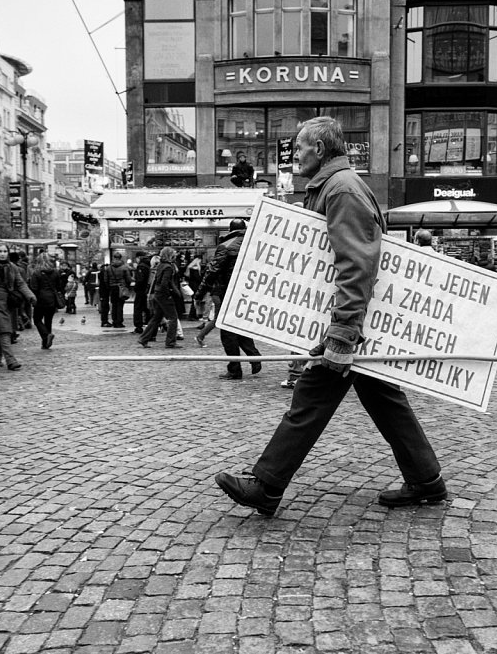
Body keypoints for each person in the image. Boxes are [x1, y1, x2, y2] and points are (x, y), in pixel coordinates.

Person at [215, 116, 446, 516]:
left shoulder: (340, 190)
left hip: (346, 325)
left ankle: (267, 485)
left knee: (311, 398)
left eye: (300, 147)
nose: (296, 155)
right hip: (351, 320)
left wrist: (341, 333)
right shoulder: (336, 187)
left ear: (319, 149)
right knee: (384, 398)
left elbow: (357, 263)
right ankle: (427, 481)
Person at [194, 219, 262, 379]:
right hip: (247, 291)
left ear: (229, 230)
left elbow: (212, 271)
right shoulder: (254, 243)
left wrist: (199, 293)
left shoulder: (226, 246)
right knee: (241, 326)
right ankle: (255, 357)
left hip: (228, 292)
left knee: (227, 332)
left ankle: (234, 369)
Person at [0, 244, 36, 370]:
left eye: (4, 251)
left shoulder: (13, 267)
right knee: (4, 331)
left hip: (10, 303)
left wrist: (30, 296)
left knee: (4, 330)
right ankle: (11, 360)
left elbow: (20, 283)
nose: (2, 254)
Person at [138, 247, 182, 349]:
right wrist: (169, 294)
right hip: (164, 295)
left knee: (156, 318)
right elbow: (165, 283)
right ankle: (170, 342)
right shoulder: (168, 267)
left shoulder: (160, 266)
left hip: (157, 294)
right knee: (173, 318)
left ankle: (143, 338)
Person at [28, 254, 64, 350]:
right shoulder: (55, 272)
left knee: (37, 319)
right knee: (48, 321)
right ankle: (46, 343)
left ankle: (46, 336)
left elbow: (34, 288)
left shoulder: (36, 273)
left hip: (40, 299)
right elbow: (59, 286)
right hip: (52, 299)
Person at [102, 252, 130, 328]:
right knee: (120, 305)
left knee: (114, 305)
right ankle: (119, 321)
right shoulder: (124, 267)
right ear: (120, 258)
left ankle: (114, 321)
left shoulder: (108, 268)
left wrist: (109, 286)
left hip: (112, 288)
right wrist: (127, 286)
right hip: (121, 288)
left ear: (113, 258)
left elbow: (105, 279)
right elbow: (128, 279)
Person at [131, 251, 151, 333]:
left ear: (138, 257)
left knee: (138, 308)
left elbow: (140, 280)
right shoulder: (149, 265)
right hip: (147, 290)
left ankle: (138, 326)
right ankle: (149, 324)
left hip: (141, 290)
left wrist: (136, 287)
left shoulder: (141, 266)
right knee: (147, 308)